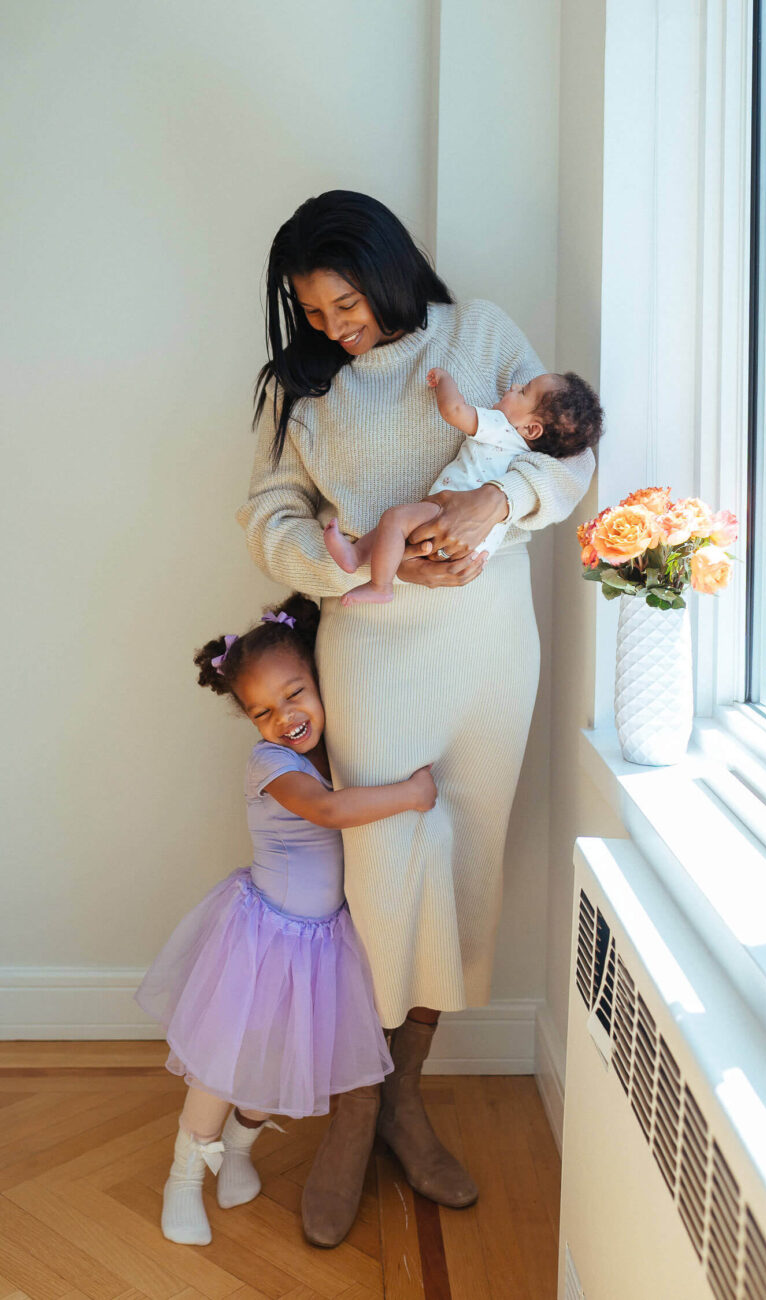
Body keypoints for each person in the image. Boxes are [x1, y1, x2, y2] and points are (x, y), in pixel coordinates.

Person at [238, 190, 595, 1220]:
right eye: (314, 313)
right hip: (375, 661)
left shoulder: (478, 333)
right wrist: (345, 573)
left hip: (489, 660)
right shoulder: (306, 394)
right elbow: (267, 513)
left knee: (464, 875)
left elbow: (569, 452)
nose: (335, 327)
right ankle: (354, 1112)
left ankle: (405, 1099)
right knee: (382, 883)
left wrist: (497, 501)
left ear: (391, 270)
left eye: (346, 305)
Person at [134, 595, 436, 1248]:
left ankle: (239, 1150)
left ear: (321, 683)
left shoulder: (337, 752)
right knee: (222, 1069)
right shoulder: (270, 765)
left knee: (274, 1066)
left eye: (295, 696)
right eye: (262, 712)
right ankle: (184, 1174)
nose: (284, 718)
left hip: (320, 947)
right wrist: (411, 795)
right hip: (262, 941)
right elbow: (328, 813)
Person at [324, 365, 603, 604]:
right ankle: (357, 554)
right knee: (398, 527)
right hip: (473, 551)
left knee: (394, 519)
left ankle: (379, 585)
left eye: (523, 391)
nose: (515, 386)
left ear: (531, 429)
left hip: (447, 516)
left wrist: (445, 380)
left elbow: (455, 410)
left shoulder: (502, 427)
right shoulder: (533, 456)